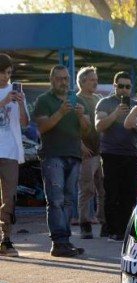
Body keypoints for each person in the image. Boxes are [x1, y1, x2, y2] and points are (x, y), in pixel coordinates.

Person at [32, 65, 90, 257]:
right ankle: (58, 242)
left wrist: (81, 117)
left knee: (67, 201)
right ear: (51, 80)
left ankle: (65, 241)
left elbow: (87, 130)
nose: (63, 82)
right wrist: (61, 112)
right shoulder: (43, 100)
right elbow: (41, 127)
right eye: (59, 79)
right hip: (52, 155)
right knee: (55, 200)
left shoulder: (77, 100)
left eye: (66, 78)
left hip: (73, 155)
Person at [95, 71, 137, 242]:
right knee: (111, 193)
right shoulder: (105, 103)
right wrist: (115, 114)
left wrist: (132, 117)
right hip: (111, 153)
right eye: (120, 86)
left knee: (129, 194)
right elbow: (98, 126)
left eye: (127, 87)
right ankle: (112, 229)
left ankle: (124, 229)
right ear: (114, 86)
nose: (124, 90)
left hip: (132, 154)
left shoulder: (136, 105)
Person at [0, 53, 28, 257]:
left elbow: (25, 123)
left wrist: (19, 104)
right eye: (1, 72)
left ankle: (6, 238)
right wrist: (3, 102)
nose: (5, 77)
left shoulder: (16, 91)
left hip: (10, 151)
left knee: (9, 197)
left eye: (8, 73)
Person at [75, 66, 105, 239]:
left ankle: (103, 222)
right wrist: (80, 145)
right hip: (86, 153)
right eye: (91, 80)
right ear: (82, 82)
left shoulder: (98, 99)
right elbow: (71, 127)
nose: (95, 82)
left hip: (101, 151)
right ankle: (84, 224)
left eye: (96, 79)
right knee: (86, 190)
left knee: (103, 190)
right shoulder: (75, 100)